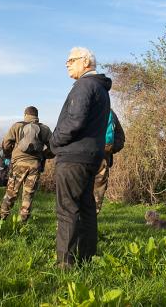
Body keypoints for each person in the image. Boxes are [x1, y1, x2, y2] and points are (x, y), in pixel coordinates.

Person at [50, 47, 116, 267]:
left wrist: (53, 141)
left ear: (85, 62)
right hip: (91, 157)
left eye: (71, 60)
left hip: (73, 156)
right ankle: (86, 259)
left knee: (67, 210)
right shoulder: (100, 88)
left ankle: (65, 265)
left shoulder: (84, 85)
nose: (67, 64)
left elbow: (74, 121)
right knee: (87, 208)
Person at [0, 106, 53, 222]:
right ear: (37, 116)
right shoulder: (44, 129)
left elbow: (6, 144)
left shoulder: (17, 126)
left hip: (18, 164)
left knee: (11, 192)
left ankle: (2, 219)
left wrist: (10, 154)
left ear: (25, 115)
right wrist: (44, 154)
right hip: (35, 165)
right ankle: (23, 222)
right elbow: (53, 148)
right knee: (28, 195)